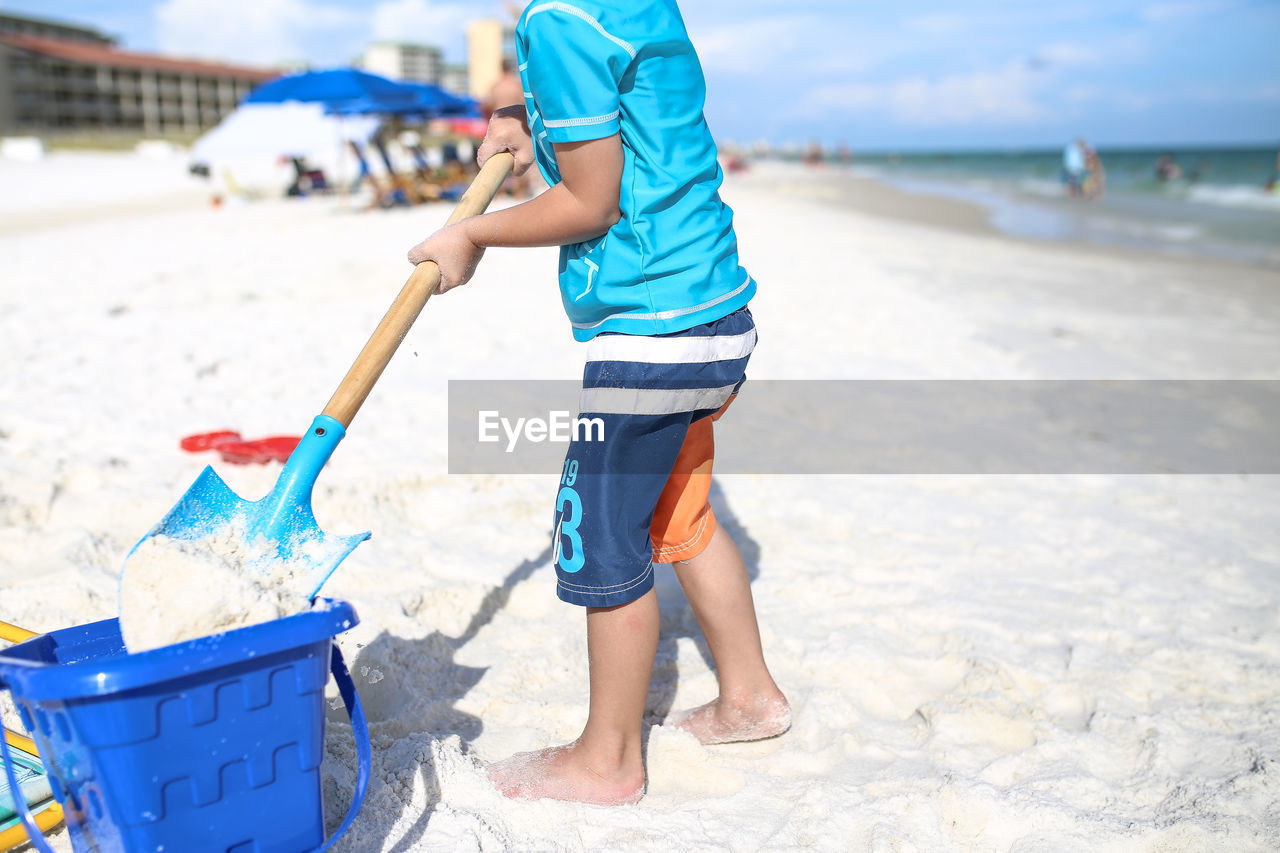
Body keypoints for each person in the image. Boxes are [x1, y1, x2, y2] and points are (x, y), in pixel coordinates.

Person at [407, 0, 789, 806]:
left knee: (599, 535)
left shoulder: (557, 20)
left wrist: (472, 237)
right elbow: (627, 104)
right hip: (714, 313)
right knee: (680, 518)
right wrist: (520, 112)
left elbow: (590, 201)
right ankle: (749, 696)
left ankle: (607, 760)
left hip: (650, 335)